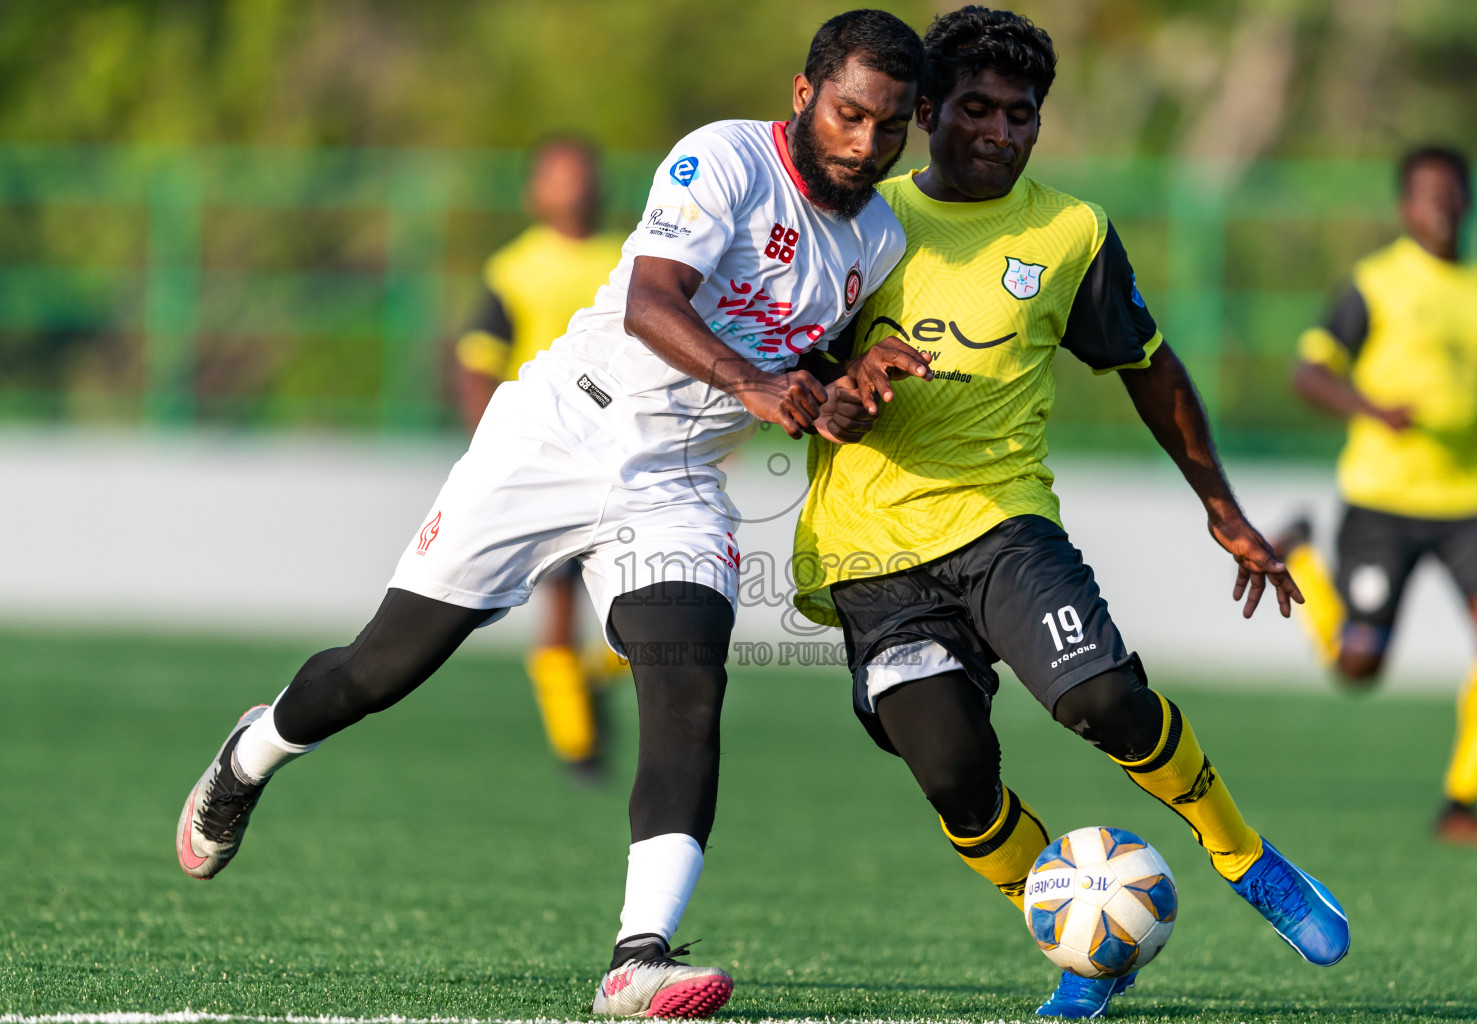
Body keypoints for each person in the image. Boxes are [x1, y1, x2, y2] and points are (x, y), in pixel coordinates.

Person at [175, 10, 931, 1019]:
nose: (865, 144)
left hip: (677, 479)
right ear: (804, 95)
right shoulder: (727, 160)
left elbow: (803, 358)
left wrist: (842, 387)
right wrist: (759, 385)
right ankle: (254, 749)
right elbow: (651, 304)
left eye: (889, 129)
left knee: (687, 673)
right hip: (560, 434)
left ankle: (639, 956)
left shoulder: (877, 235)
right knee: (381, 667)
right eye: (848, 115)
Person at [792, 8, 1350, 1019]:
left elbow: (1149, 366)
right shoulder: (858, 224)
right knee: (957, 775)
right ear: (926, 112)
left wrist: (1221, 508)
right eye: (976, 109)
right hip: (871, 554)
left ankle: (1242, 854)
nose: (1001, 131)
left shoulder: (1070, 232)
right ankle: (1091, 949)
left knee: (1106, 703)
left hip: (1004, 525)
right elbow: (788, 362)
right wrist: (837, 383)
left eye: (1022, 115)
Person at [1273, 145, 1477, 847]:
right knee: (1357, 665)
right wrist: (1372, 408)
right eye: (1425, 193)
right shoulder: (1374, 284)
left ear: (1471, 200)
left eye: (1452, 191)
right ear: (1404, 206)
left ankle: (1462, 804)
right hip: (1382, 500)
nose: (1440, 204)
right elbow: (1309, 372)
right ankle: (1299, 560)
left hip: (1474, 500)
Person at [454, 137, 627, 779]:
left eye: (584, 176)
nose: (574, 188)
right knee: (557, 605)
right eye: (559, 177)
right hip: (548, 457)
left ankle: (585, 682)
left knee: (654, 597)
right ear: (536, 191)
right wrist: (495, 443)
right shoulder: (514, 270)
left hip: (626, 456)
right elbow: (478, 363)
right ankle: (578, 744)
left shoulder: (628, 258)